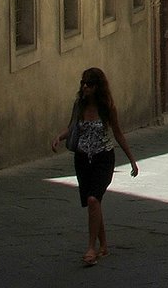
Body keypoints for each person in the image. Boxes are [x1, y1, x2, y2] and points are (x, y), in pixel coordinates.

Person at [51, 67, 139, 267]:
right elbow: (72, 127)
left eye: (89, 84)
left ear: (98, 87)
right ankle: (104, 246)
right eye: (83, 83)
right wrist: (59, 137)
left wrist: (132, 159)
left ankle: (91, 248)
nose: (85, 87)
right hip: (82, 160)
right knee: (94, 203)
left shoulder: (107, 107)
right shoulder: (79, 106)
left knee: (92, 199)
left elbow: (117, 133)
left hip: (103, 159)